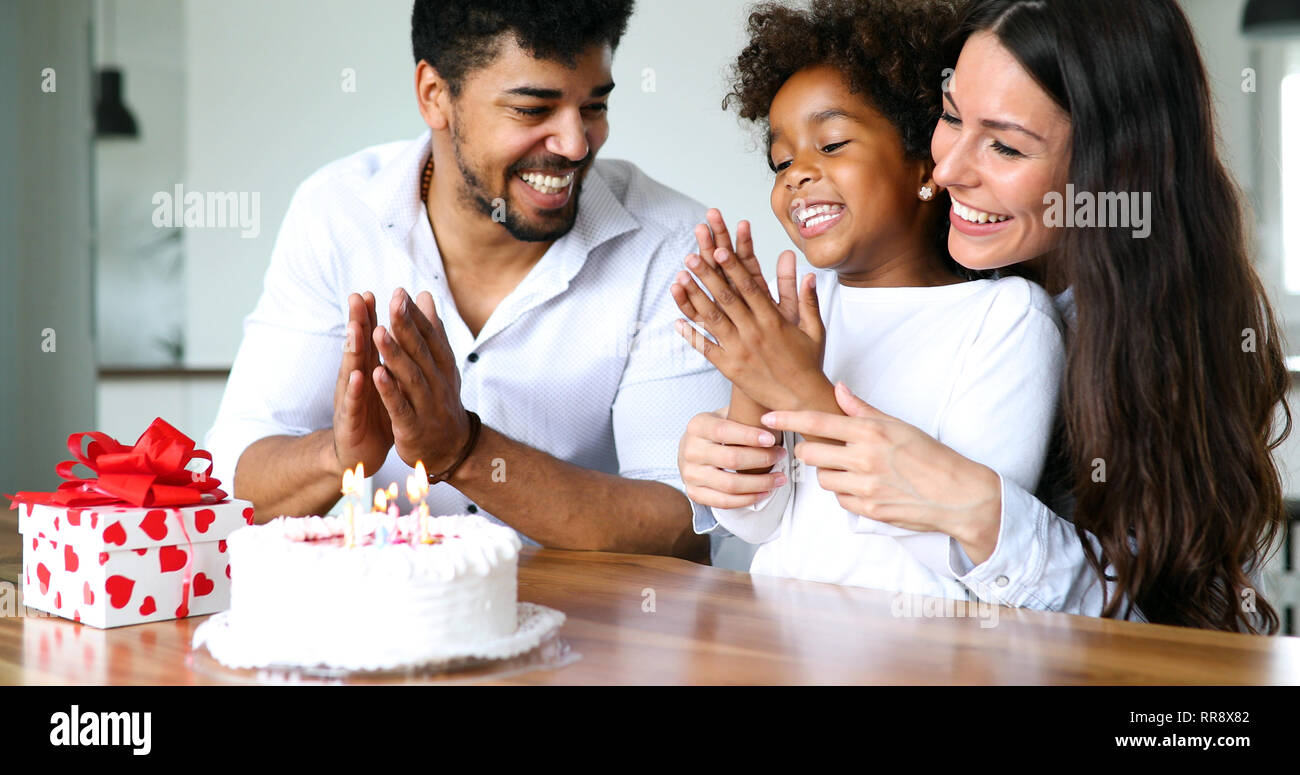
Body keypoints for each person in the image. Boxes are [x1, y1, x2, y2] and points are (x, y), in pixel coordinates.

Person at [684, 0, 1291, 632]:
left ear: (1107, 172)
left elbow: (1161, 632)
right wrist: (729, 452)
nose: (945, 168)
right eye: (948, 118)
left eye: (1004, 146)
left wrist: (980, 512)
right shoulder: (899, 278)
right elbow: (778, 520)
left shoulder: (1120, 336)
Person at [204, 0, 730, 563]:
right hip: (395, 630)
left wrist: (466, 451)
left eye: (593, 106)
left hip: (598, 636)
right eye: (533, 110)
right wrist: (337, 456)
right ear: (435, 94)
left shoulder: (672, 245)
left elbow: (687, 526)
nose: (576, 145)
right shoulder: (336, 216)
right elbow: (229, 491)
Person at [670, 0, 1065, 599]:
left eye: (830, 145)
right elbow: (755, 520)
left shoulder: (1007, 319)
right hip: (778, 644)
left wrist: (796, 387)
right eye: (781, 160)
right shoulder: (802, 309)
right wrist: (750, 370)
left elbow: (966, 541)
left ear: (922, 164)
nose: (795, 174)